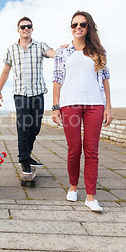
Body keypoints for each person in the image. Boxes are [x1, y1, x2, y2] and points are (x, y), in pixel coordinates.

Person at [52, 11, 112, 212]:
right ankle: (73, 187)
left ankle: (91, 196)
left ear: (89, 28)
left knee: (92, 150)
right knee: (74, 149)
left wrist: (108, 107)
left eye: (82, 24)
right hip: (70, 105)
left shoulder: (98, 52)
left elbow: (105, 79)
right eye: (74, 24)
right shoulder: (63, 52)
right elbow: (57, 80)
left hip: (95, 104)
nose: (78, 27)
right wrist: (55, 107)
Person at [0, 16, 56, 175]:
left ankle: (26, 155)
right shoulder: (11, 49)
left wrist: (61, 51)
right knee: (23, 128)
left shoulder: (40, 46)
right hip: (20, 94)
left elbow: (52, 53)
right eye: (22, 27)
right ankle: (23, 160)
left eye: (28, 26)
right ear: (18, 30)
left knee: (35, 127)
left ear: (32, 28)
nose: (25, 29)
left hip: (37, 93)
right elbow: (5, 71)